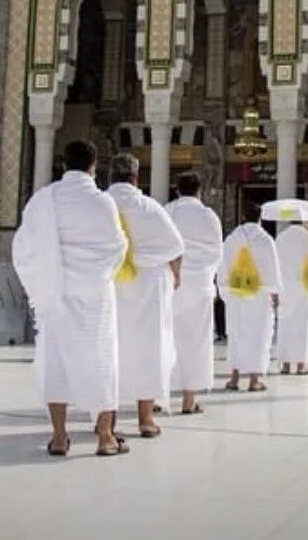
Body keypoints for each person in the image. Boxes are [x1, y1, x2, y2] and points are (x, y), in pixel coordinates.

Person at [13, 140, 129, 457]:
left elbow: (23, 247)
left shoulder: (42, 200)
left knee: (57, 362)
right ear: (93, 166)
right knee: (102, 359)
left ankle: (60, 436)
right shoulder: (102, 203)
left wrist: (39, 283)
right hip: (95, 294)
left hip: (55, 294)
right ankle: (105, 437)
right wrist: (97, 274)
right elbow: (118, 248)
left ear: (64, 164)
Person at [106, 154, 185, 439]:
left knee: (110, 348)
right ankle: (146, 418)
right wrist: (177, 275)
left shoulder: (101, 205)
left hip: (109, 286)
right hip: (148, 289)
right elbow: (175, 247)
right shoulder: (149, 208)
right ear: (136, 177)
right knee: (149, 349)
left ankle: (107, 420)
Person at [165, 172, 223, 416]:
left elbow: (162, 245)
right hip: (199, 285)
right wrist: (206, 273)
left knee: (167, 340)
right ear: (200, 190)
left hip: (171, 283)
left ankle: (159, 397)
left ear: (177, 189)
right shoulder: (208, 216)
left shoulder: (167, 212)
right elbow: (217, 252)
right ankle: (189, 400)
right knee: (197, 342)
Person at [219, 203, 281, 391]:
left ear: (243, 216)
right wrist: (276, 291)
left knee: (237, 334)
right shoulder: (266, 240)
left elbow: (224, 265)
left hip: (237, 293)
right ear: (260, 217)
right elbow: (273, 268)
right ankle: (255, 379)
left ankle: (235, 378)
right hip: (259, 295)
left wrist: (224, 290)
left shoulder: (232, 239)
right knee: (259, 335)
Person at [275, 220, 308, 375]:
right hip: (304, 286)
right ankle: (302, 364)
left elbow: (276, 264)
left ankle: (286, 364)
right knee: (303, 324)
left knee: (285, 324)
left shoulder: (280, 238)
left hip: (285, 287)